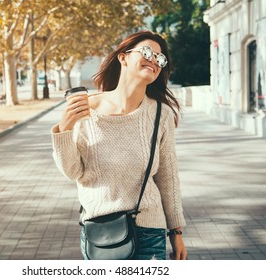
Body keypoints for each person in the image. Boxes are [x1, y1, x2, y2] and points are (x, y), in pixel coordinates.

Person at [51, 30, 187, 260]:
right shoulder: (86, 108)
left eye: (160, 58)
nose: (154, 60)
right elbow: (74, 172)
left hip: (148, 230)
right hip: (100, 231)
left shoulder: (160, 115)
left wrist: (176, 231)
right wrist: (64, 129)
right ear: (123, 57)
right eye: (146, 52)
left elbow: (167, 176)